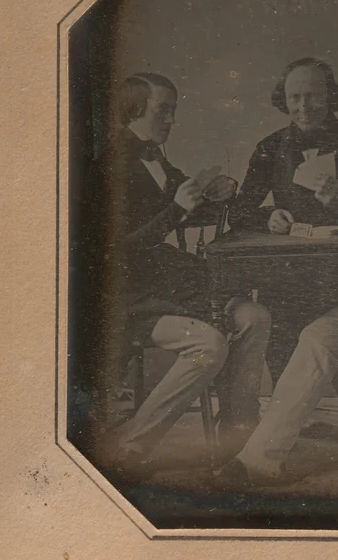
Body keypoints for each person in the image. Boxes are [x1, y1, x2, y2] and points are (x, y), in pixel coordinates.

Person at [76, 73, 270, 470]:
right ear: (134, 109)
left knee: (255, 316)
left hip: (169, 286)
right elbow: (113, 251)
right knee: (209, 346)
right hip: (129, 298)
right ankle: (133, 442)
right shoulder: (107, 167)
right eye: (162, 110)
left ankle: (238, 429)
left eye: (173, 111)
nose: (170, 120)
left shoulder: (157, 160)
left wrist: (219, 193)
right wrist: (178, 210)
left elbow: (191, 208)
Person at [219, 57, 338, 481]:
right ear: (284, 99)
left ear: (330, 95)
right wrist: (270, 218)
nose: (304, 105)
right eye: (295, 96)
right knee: (282, 332)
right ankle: (285, 433)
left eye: (313, 95)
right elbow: (243, 210)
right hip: (288, 276)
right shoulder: (269, 147)